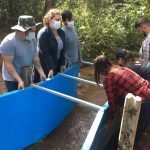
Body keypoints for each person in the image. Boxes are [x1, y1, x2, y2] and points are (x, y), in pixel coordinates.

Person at [94, 55, 150, 148]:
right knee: (142, 129)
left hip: (144, 100)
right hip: (148, 92)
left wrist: (109, 122)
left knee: (133, 135)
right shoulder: (120, 68)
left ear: (99, 70)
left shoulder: (108, 78)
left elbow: (112, 103)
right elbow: (123, 90)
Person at [0, 15, 46, 92]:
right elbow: (8, 64)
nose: (34, 33)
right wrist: (19, 80)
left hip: (27, 76)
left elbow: (35, 57)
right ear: (24, 31)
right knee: (14, 102)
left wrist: (41, 72)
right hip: (12, 80)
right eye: (32, 31)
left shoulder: (32, 39)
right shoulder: (9, 42)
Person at [33, 9, 66, 83]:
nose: (59, 22)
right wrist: (51, 68)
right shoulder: (43, 34)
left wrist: (62, 63)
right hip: (45, 66)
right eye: (57, 19)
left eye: (60, 20)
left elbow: (63, 50)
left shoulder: (61, 33)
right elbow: (45, 53)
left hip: (57, 64)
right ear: (49, 20)